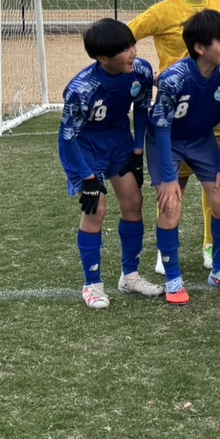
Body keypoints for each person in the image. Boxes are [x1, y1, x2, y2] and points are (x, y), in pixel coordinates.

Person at [127, 0, 220, 272]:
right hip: (176, 112)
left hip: (212, 106)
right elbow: (124, 36)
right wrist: (145, 74)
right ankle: (166, 248)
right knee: (173, 185)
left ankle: (210, 245)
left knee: (216, 183)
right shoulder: (163, 11)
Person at [147, 10, 220, 303]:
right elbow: (162, 127)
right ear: (200, 48)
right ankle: (173, 279)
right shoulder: (174, 78)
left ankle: (219, 270)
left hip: (201, 140)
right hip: (166, 142)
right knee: (171, 204)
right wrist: (168, 178)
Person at [58, 18, 158, 308]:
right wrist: (87, 178)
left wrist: (137, 151)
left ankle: (130, 276)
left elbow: (142, 109)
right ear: (103, 58)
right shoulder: (81, 89)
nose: (133, 53)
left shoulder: (141, 71)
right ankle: (92, 285)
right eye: (125, 50)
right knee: (96, 209)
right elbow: (68, 137)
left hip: (119, 142)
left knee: (134, 202)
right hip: (84, 148)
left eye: (132, 45)